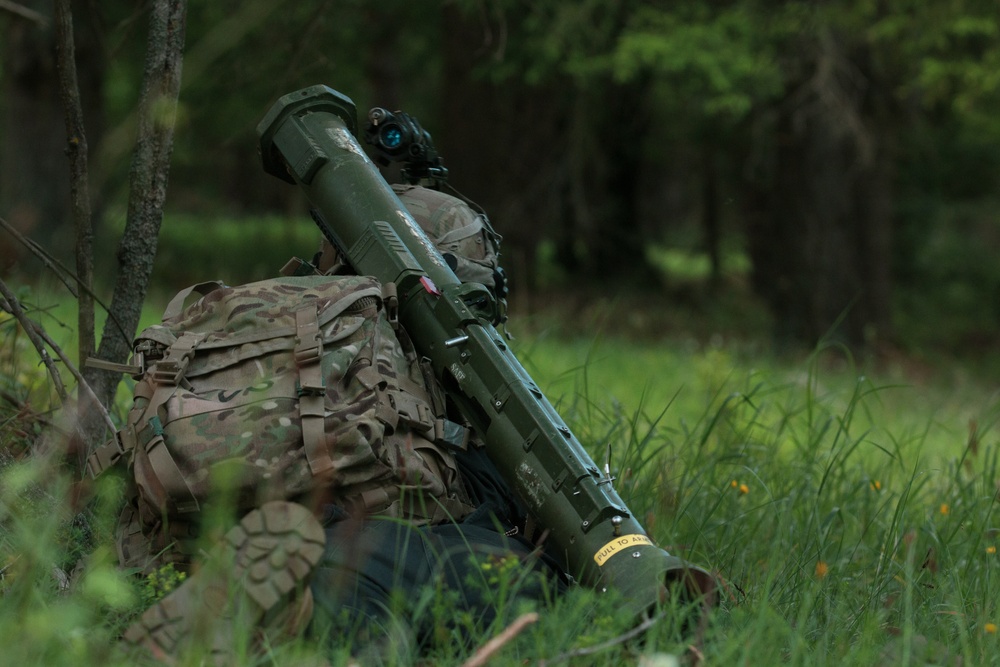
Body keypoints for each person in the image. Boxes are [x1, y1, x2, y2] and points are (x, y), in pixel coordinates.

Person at [120, 185, 565, 664]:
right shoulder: (434, 369)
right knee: (530, 579)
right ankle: (310, 616)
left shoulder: (269, 316)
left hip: (176, 535)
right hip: (352, 553)